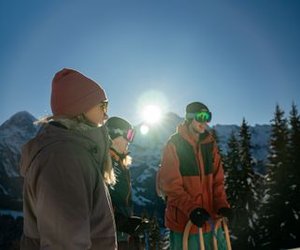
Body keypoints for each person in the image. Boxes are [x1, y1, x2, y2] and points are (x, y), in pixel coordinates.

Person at [20, 68, 117, 250]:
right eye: (103, 106)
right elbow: (65, 244)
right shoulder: (63, 159)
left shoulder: (73, 152)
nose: (106, 114)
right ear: (80, 108)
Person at [157, 102, 231, 250]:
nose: (204, 122)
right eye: (201, 117)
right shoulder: (174, 145)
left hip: (210, 221)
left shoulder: (210, 145)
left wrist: (222, 204)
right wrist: (192, 209)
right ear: (189, 118)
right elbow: (171, 186)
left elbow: (217, 181)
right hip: (186, 224)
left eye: (207, 117)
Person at [106, 117, 148, 250]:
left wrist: (129, 221)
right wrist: (122, 223)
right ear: (114, 135)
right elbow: (98, 201)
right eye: (129, 135)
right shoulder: (105, 163)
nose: (130, 141)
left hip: (121, 236)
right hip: (110, 237)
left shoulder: (118, 162)